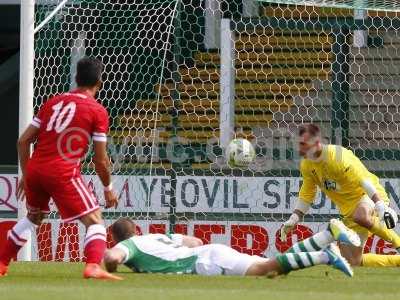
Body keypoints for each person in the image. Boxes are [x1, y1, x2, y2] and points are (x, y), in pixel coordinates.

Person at [0, 57, 121, 280]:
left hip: (35, 169)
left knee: (34, 217)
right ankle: (93, 265)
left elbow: (23, 141)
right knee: (94, 219)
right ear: (99, 82)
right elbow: (101, 160)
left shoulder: (52, 102)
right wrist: (108, 188)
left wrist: (27, 176)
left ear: (76, 78)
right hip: (62, 171)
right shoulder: (97, 111)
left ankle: (1, 262)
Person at [280, 123, 400, 267]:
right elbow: (307, 193)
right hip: (349, 213)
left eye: (303, 144)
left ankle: (398, 243)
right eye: (298, 144)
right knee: (352, 262)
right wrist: (294, 218)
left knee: (361, 216)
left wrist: (380, 206)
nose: (299, 148)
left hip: (369, 195)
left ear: (316, 143)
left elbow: (364, 181)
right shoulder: (307, 164)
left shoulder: (338, 157)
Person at [103, 218, 354, 278]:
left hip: (203, 263)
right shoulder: (157, 237)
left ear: (116, 238)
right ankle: (325, 236)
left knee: (265, 269)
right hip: (207, 252)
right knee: (274, 264)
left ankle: (325, 255)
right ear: (136, 228)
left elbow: (112, 257)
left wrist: (110, 262)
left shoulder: (129, 245)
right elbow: (196, 241)